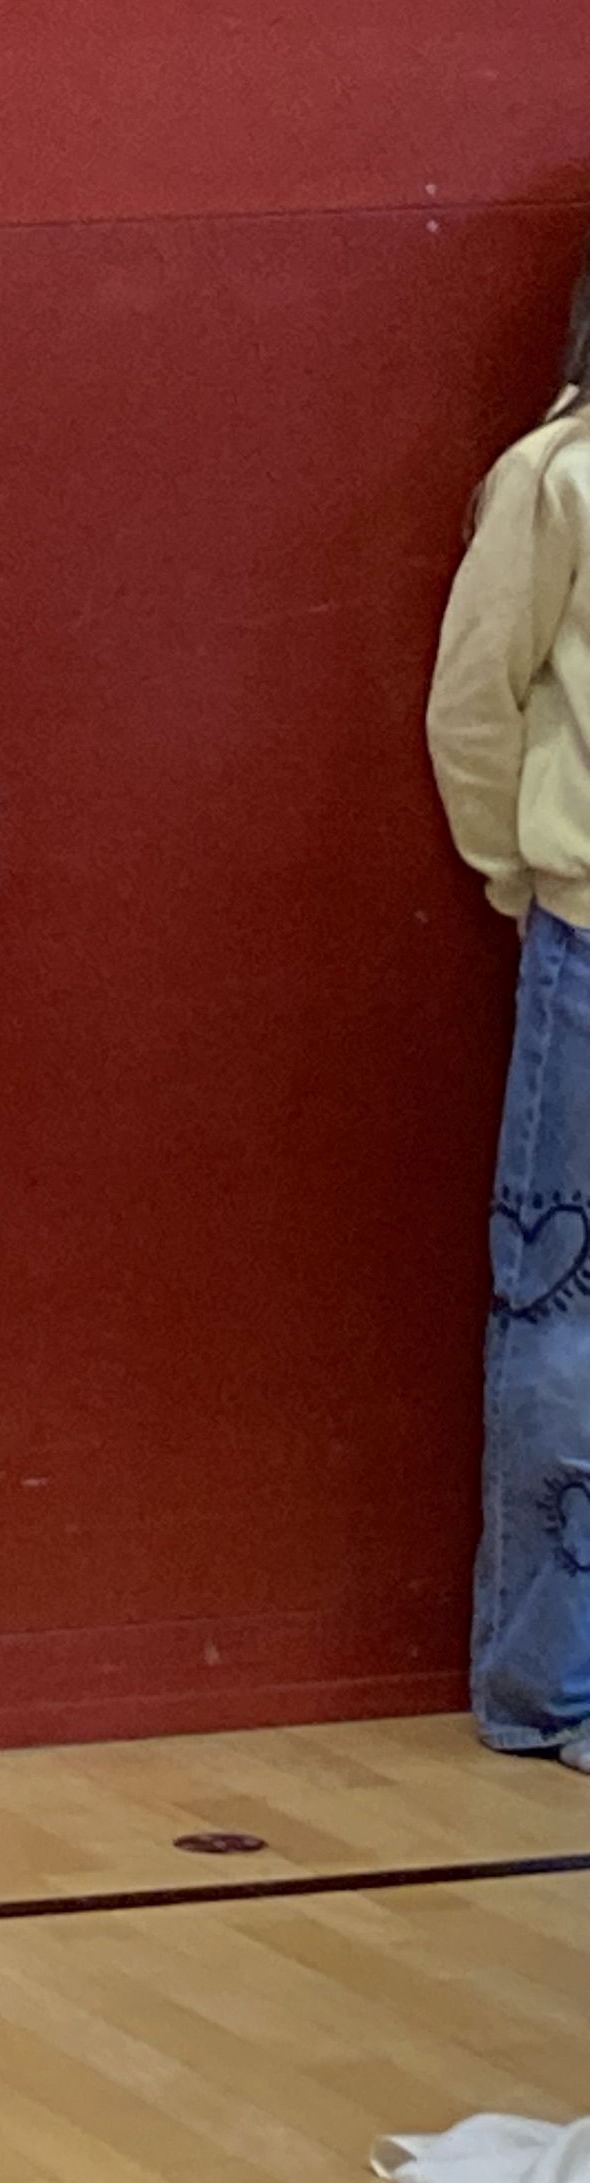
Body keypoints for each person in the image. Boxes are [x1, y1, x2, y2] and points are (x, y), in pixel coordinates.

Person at [428, 241, 590, 1768]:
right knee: (565, 1314)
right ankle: (554, 1686)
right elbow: (475, 703)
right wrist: (527, 873)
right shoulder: (554, 479)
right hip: (588, 939)